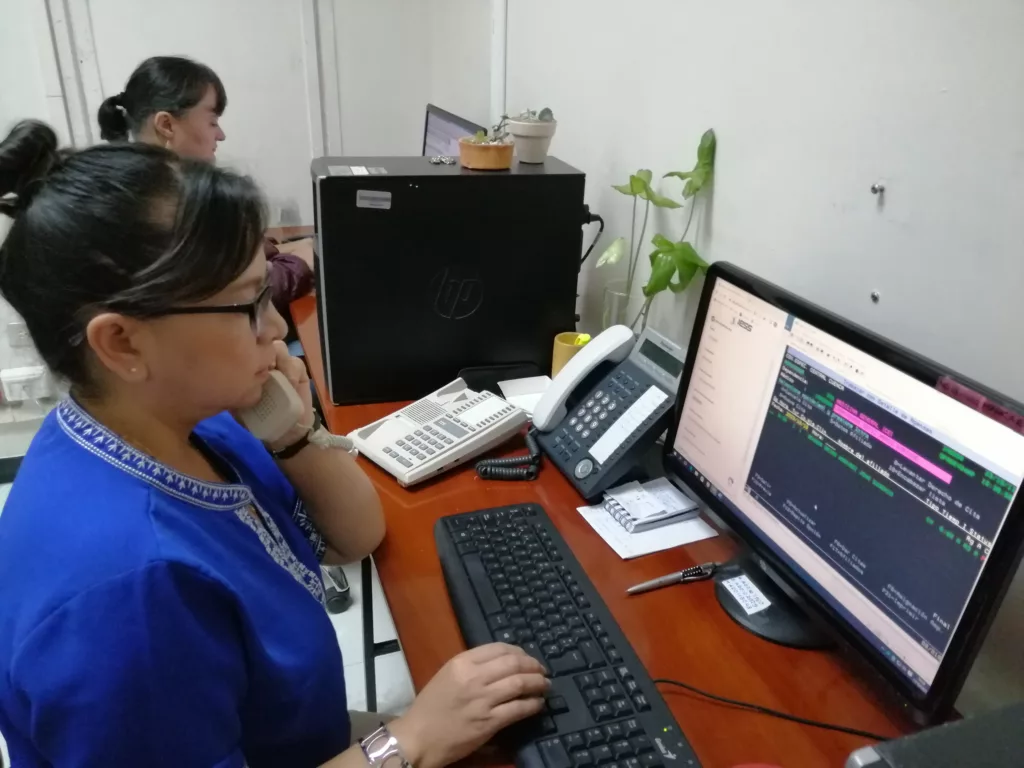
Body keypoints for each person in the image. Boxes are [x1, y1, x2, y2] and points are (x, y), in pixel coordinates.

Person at [0, 120, 548, 767]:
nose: (279, 326)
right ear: (122, 343)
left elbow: (357, 535)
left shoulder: (179, 417)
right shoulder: (127, 598)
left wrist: (291, 430)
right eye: (247, 305)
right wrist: (410, 740)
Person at [96, 55, 315, 318]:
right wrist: (300, 263)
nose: (220, 135)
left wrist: (280, 250)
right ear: (166, 125)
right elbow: (237, 297)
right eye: (212, 121)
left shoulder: (148, 184)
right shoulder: (159, 205)